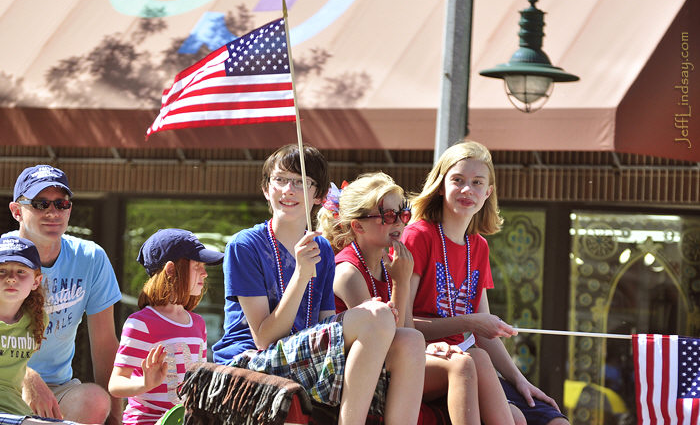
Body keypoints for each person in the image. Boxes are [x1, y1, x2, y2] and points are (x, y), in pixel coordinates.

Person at [212, 144, 425, 424]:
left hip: (303, 357)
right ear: (266, 189)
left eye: (301, 182)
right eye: (280, 179)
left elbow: (325, 324)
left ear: (319, 196)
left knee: (411, 338)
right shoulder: (246, 245)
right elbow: (264, 338)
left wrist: (369, 315)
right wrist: (301, 275)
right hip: (251, 359)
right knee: (375, 316)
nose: (288, 189)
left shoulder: (322, 248)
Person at [318, 172, 513, 425]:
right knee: (462, 366)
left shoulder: (388, 263)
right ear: (358, 226)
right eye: (388, 216)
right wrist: (400, 282)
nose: (399, 223)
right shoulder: (348, 272)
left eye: (404, 214)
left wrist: (430, 348)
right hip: (362, 374)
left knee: (480, 360)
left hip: (396, 361)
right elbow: (386, 341)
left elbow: (407, 333)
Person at [402, 141, 569, 425]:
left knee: (550, 420)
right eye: (458, 180)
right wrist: (470, 323)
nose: (468, 190)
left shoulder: (478, 247)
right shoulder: (418, 236)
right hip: (422, 359)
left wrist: (520, 380)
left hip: (467, 360)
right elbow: (403, 325)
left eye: (477, 183)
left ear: (488, 192)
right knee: (478, 363)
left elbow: (483, 332)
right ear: (441, 186)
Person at [6, 165, 122, 424]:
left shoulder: (91, 258)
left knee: (95, 401)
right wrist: (26, 376)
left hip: (59, 390)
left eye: (61, 204)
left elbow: (104, 344)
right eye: (40, 204)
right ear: (17, 211)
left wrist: (116, 417)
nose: (53, 212)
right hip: (5, 382)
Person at [109, 228, 224, 425]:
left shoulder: (198, 323)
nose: (204, 273)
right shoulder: (141, 323)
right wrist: (145, 384)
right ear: (171, 270)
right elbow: (116, 384)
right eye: (197, 265)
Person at [0, 236, 90, 425]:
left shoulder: (36, 319)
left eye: (21, 271)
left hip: (16, 411)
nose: (10, 277)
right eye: (1, 271)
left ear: (36, 281)